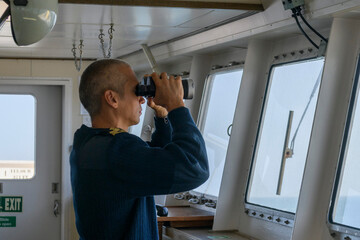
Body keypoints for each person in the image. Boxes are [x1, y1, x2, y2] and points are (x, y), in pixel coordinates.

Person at [70, 59, 209, 240]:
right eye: (136, 91)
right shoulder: (115, 151)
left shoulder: (89, 142)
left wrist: (162, 114)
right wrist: (176, 106)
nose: (142, 99)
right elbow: (194, 167)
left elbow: (152, 160)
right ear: (112, 98)